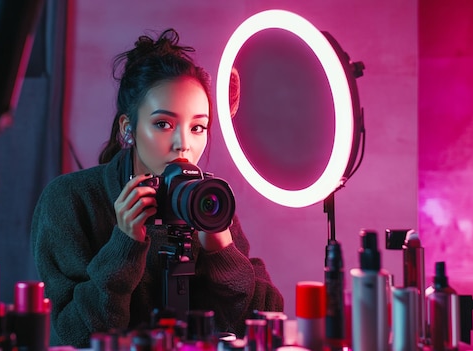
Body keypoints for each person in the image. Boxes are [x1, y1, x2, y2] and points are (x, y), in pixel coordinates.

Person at [30, 28, 284, 348]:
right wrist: (124, 246)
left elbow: (267, 324)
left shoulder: (208, 203)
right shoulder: (70, 200)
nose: (184, 144)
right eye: (163, 124)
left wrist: (222, 251)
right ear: (129, 129)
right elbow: (76, 335)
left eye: (198, 127)